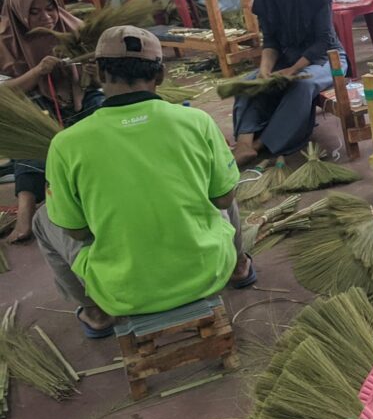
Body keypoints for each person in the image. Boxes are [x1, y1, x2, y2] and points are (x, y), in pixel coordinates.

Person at [33, 25, 256, 338]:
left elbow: (76, 230)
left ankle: (97, 313)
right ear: (161, 75)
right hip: (207, 273)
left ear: (97, 72)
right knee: (223, 186)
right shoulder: (197, 122)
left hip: (121, 294)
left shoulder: (66, 144)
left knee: (44, 218)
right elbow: (222, 200)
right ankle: (239, 268)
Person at [0, 0, 104, 244]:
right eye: (34, 12)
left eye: (50, 8)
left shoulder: (75, 29)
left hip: (80, 98)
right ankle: (25, 212)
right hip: (35, 102)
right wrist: (37, 72)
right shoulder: (6, 43)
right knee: (32, 144)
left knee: (105, 121)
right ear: (18, 13)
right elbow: (5, 95)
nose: (45, 17)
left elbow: (98, 82)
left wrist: (92, 75)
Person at [232, 0, 345, 166]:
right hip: (289, 58)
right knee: (249, 82)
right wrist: (265, 70)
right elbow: (271, 41)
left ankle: (261, 144)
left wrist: (293, 70)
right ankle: (243, 143)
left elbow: (323, 42)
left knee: (301, 85)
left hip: (327, 59)